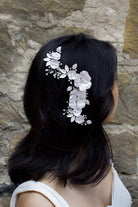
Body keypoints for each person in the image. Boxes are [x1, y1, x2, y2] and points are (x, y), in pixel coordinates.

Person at [8, 33, 132, 207]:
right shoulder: (38, 201)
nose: (116, 89)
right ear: (92, 93)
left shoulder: (98, 161)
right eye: (112, 80)